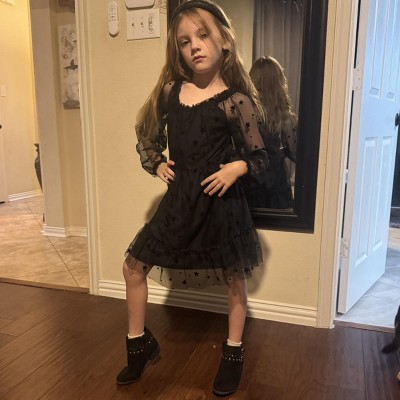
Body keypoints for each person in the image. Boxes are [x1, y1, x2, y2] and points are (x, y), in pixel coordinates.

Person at [116, 1, 268, 396]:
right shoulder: (170, 92)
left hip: (221, 204)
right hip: (180, 201)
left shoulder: (236, 101)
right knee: (133, 267)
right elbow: (145, 129)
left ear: (224, 41)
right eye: (184, 41)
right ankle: (138, 345)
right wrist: (156, 162)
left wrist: (236, 167)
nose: (194, 46)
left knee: (234, 278)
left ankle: (233, 352)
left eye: (203, 35)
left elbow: (260, 157)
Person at [246, 56, 298, 209]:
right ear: (278, 82)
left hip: (251, 178)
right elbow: (293, 151)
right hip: (276, 180)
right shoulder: (283, 115)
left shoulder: (244, 111)